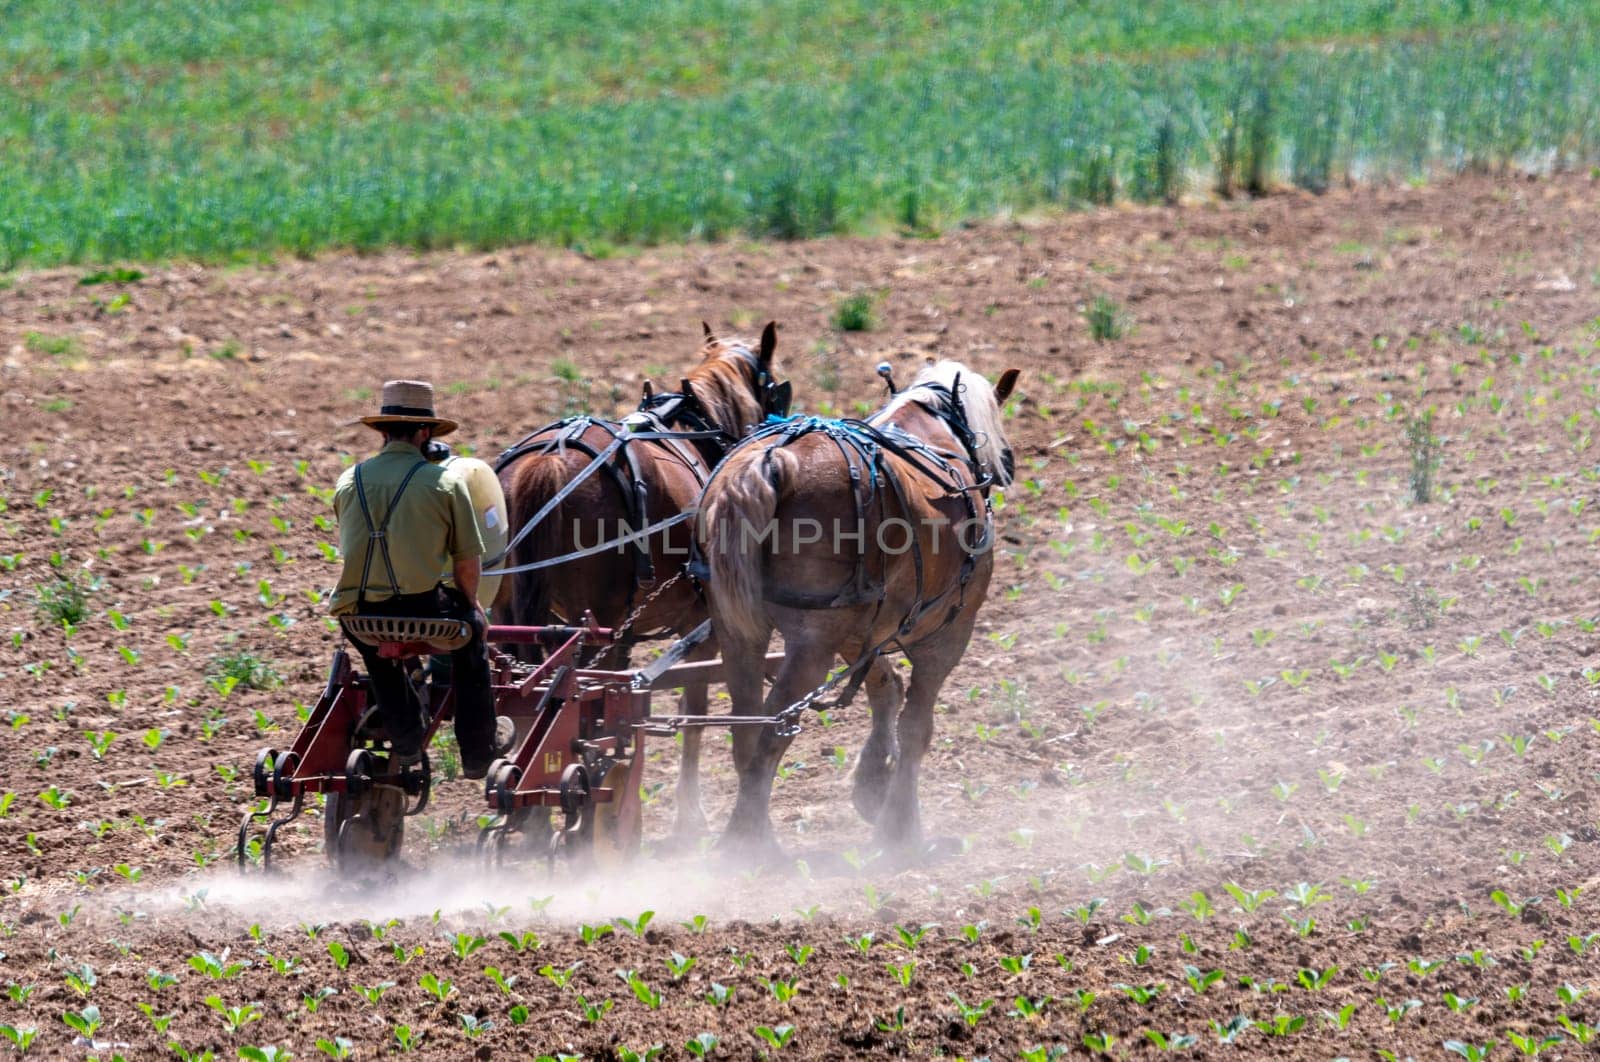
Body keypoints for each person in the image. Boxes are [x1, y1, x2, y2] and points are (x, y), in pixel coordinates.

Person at [329, 380, 514, 778]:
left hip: (360, 615)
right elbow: (467, 563)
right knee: (470, 640)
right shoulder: (445, 484)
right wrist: (472, 607)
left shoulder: (349, 480)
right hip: (424, 611)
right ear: (425, 433)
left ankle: (407, 738)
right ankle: (478, 750)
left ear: (382, 432)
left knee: (379, 654)